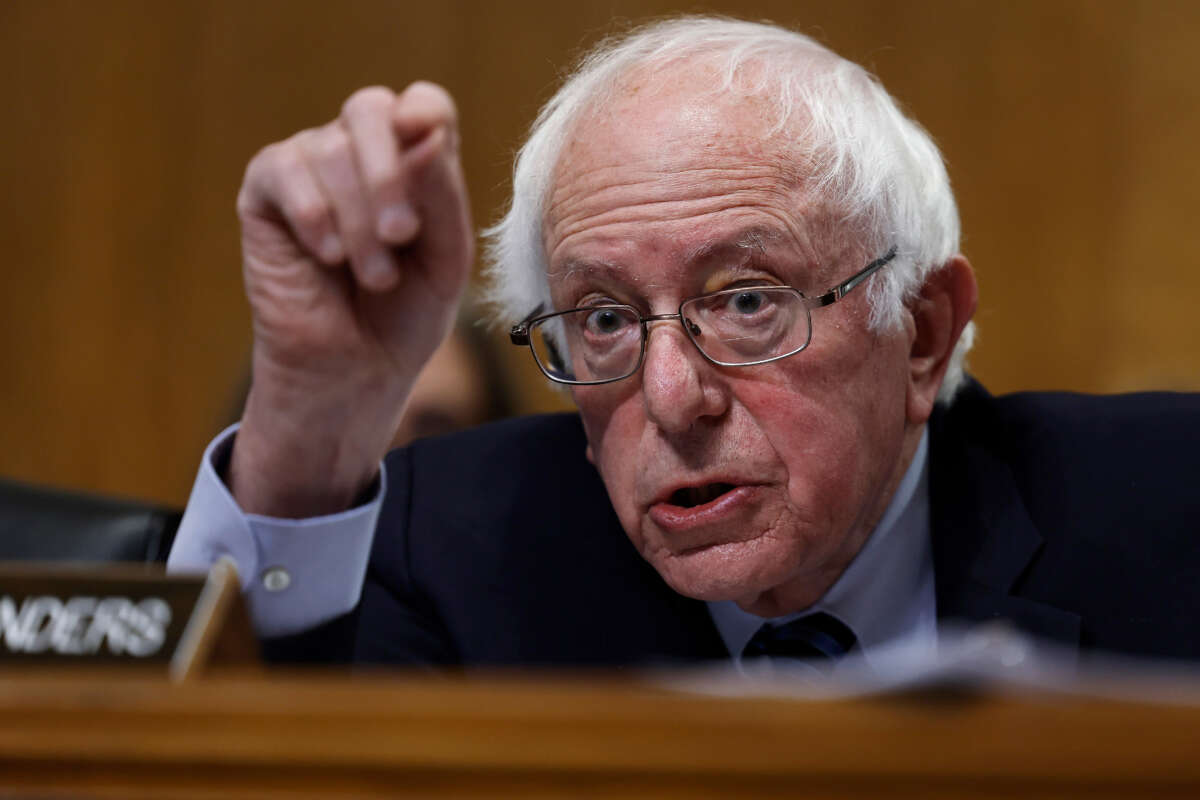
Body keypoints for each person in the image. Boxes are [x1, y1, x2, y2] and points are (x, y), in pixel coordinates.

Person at [168, 17, 1200, 669]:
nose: (671, 396)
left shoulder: (1167, 510)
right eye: (606, 318)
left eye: (747, 301)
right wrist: (311, 416)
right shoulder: (450, 546)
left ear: (921, 334)